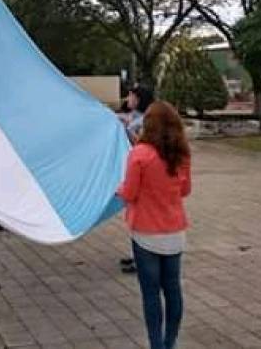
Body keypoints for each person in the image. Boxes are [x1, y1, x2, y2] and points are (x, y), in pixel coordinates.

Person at [117, 101, 191, 349]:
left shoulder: (139, 154)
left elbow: (129, 193)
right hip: (175, 232)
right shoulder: (182, 154)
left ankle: (156, 345)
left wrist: (118, 190)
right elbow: (185, 190)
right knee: (173, 290)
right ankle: (170, 343)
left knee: (151, 294)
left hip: (145, 234)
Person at [119, 84, 154, 273]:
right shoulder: (132, 117)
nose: (127, 99)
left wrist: (127, 131)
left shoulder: (147, 121)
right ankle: (135, 254)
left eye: (131, 96)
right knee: (133, 216)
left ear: (139, 99)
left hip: (143, 172)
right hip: (134, 169)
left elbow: (144, 144)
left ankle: (141, 258)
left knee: (141, 216)